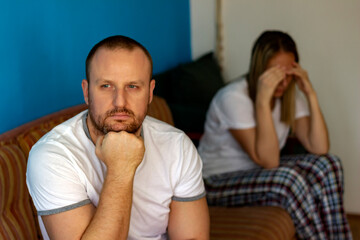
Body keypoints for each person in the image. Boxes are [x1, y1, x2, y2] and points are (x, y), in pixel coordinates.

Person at [26, 35, 210, 240]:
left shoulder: (177, 146)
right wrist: (120, 169)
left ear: (150, 92)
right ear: (87, 92)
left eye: (133, 86)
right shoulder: (53, 156)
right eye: (106, 86)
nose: (119, 102)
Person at [198, 30, 352, 239]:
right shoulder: (233, 98)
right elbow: (269, 161)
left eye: (288, 73)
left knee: (329, 164)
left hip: (257, 175)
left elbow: (319, 148)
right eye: (275, 73)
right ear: (259, 69)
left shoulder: (288, 95)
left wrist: (310, 94)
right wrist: (263, 99)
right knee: (289, 180)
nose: (283, 82)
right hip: (215, 183)